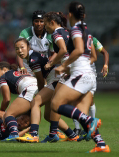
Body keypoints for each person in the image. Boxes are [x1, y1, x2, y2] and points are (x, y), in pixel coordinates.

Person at [45, 2, 110, 153]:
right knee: (80, 112)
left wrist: (63, 65)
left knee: (55, 104)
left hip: (80, 75)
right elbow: (90, 55)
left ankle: (89, 120)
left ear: (70, 15)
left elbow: (79, 50)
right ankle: (101, 144)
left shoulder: (75, 29)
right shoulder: (86, 29)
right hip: (89, 75)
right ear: (84, 15)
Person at [14, 13, 78, 143]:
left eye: (22, 48)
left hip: (54, 79)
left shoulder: (33, 59)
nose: (20, 51)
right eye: (17, 49)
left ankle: (34, 134)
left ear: (29, 47)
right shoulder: (31, 57)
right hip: (55, 78)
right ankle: (72, 135)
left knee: (36, 102)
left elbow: (39, 80)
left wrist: (40, 92)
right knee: (49, 115)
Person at [73, 37, 109, 135]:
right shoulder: (72, 38)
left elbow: (105, 52)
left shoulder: (92, 40)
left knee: (90, 100)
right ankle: (77, 129)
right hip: (76, 72)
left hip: (89, 73)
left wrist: (105, 65)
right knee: (74, 99)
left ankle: (92, 126)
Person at [0, 61, 38, 141]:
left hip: (29, 89)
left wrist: (2, 112)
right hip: (39, 88)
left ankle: (14, 134)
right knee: (38, 113)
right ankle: (54, 132)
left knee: (9, 114)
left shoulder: (3, 77)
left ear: (5, 69)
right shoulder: (18, 71)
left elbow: (6, 99)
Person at [18, 10, 54, 75]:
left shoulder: (50, 34)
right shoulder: (25, 33)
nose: (39, 24)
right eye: (36, 21)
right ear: (32, 22)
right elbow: (19, 53)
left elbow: (53, 53)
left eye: (41, 21)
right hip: (27, 68)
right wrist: (22, 68)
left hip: (44, 68)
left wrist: (49, 63)